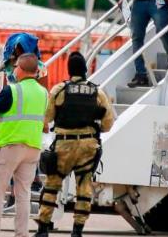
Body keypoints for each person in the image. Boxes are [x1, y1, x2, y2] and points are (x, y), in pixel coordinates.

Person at [35, 52, 115, 237]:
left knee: (52, 185)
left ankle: (43, 229)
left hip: (64, 145)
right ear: (85, 70)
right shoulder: (97, 92)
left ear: (69, 70)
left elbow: (47, 118)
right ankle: (77, 231)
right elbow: (108, 123)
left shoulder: (59, 90)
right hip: (88, 146)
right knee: (84, 187)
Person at [0, 53, 48, 237]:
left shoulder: (12, 90)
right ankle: (22, 234)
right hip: (33, 148)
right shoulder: (44, 93)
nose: (14, 70)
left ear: (21, 69)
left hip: (10, 146)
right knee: (23, 194)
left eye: (16, 67)